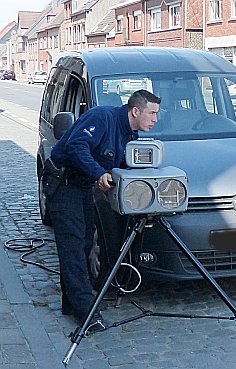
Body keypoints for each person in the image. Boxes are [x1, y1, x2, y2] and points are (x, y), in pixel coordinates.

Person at [44, 89, 161, 331]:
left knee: (85, 244)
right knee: (73, 247)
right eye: (152, 113)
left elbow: (120, 162)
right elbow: (77, 146)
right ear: (135, 111)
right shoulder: (102, 117)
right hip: (64, 184)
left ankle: (74, 303)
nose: (155, 119)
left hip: (82, 187)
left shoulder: (130, 134)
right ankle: (85, 311)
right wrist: (99, 173)